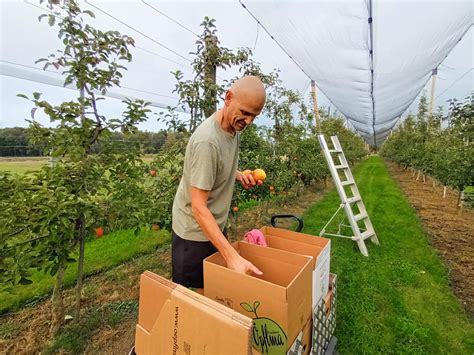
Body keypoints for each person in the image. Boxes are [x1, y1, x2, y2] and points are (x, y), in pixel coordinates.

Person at [171, 75, 266, 293]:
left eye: (254, 116)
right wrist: (231, 255)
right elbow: (198, 206)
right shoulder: (208, 141)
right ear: (228, 97)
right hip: (194, 232)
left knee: (213, 288)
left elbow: (219, 166)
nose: (249, 121)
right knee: (196, 298)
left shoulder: (233, 128)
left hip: (212, 225)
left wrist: (240, 174)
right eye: (245, 113)